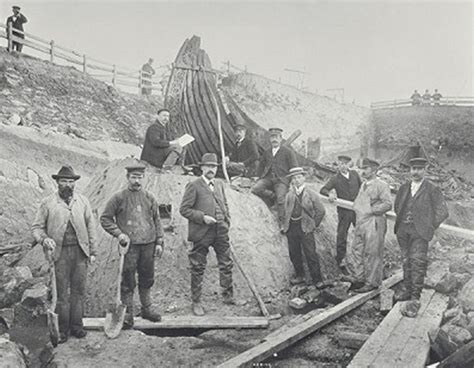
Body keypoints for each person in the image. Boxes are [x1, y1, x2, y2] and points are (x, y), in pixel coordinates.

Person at [32, 165, 97, 343]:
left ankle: (77, 326)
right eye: (64, 181)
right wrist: (44, 239)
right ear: (57, 183)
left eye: (71, 181)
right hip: (59, 254)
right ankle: (63, 329)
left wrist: (93, 251)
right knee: (61, 294)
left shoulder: (83, 201)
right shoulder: (47, 203)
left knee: (79, 291)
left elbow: (91, 227)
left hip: (80, 253)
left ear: (75, 183)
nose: (68, 185)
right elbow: (37, 228)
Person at [100, 164, 164, 328]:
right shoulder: (118, 198)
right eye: (134, 177)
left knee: (147, 277)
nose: (137, 181)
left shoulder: (150, 197)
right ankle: (127, 312)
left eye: (140, 177)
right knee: (128, 280)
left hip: (148, 244)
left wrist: (159, 242)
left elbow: (157, 220)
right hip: (129, 246)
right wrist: (119, 234)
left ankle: (147, 308)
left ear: (144, 178)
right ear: (128, 178)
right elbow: (105, 219)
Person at [180, 153, 234, 316]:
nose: (211, 169)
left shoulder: (219, 184)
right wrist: (203, 218)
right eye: (208, 166)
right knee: (197, 267)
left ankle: (227, 296)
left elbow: (224, 203)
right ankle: (196, 302)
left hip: (221, 231)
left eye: (214, 166)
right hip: (202, 232)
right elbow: (184, 210)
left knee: (226, 263)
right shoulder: (194, 185)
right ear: (202, 167)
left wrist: (227, 219)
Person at [394, 158, 448, 317]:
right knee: (405, 260)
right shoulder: (404, 188)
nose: (415, 172)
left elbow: (443, 212)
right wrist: (404, 222)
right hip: (403, 230)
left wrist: (429, 226)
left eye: (419, 169)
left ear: (425, 170)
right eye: (413, 169)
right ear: (409, 170)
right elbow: (397, 207)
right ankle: (407, 290)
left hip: (420, 233)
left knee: (417, 262)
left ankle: (415, 296)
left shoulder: (432, 189)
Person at [345, 158, 392, 293]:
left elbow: (387, 204)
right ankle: (359, 278)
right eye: (362, 168)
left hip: (374, 222)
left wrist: (371, 210)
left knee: (372, 253)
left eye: (366, 168)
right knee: (357, 250)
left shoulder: (381, 185)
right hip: (361, 222)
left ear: (374, 170)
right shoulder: (363, 185)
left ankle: (372, 282)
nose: (363, 171)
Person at [282, 167, 326, 286]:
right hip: (292, 227)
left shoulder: (311, 194)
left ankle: (317, 280)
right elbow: (286, 211)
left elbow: (320, 211)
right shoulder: (289, 195)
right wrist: (285, 225)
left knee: (310, 254)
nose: (296, 180)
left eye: (299, 177)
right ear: (291, 180)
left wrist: (313, 225)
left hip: (306, 228)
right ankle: (300, 276)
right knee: (294, 253)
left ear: (304, 178)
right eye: (294, 178)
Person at [251, 128, 298, 230]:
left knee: (281, 199)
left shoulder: (288, 152)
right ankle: (273, 197)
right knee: (255, 189)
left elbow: (294, 168)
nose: (274, 139)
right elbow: (261, 166)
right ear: (269, 139)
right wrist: (257, 176)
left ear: (281, 139)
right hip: (268, 179)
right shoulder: (267, 152)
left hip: (282, 180)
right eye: (272, 137)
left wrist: (293, 182)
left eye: (277, 137)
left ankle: (282, 223)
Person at [320, 155, 362, 269]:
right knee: (342, 234)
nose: (342, 166)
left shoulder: (355, 175)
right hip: (344, 211)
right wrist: (330, 194)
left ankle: (362, 257)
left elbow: (362, 188)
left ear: (349, 164)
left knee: (362, 232)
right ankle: (340, 259)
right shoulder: (335, 178)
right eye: (340, 163)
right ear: (338, 165)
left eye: (344, 163)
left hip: (357, 210)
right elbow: (323, 189)